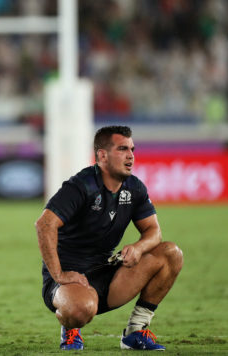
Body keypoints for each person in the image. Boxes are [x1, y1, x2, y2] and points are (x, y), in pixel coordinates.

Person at [35, 125, 183, 351]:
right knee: (80, 310)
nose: (131, 155)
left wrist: (138, 247)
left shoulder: (135, 188)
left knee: (171, 253)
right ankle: (71, 326)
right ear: (102, 155)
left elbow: (154, 232)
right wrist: (59, 274)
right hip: (70, 281)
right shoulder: (81, 185)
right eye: (122, 149)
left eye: (132, 149)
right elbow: (44, 224)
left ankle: (135, 331)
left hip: (108, 274)